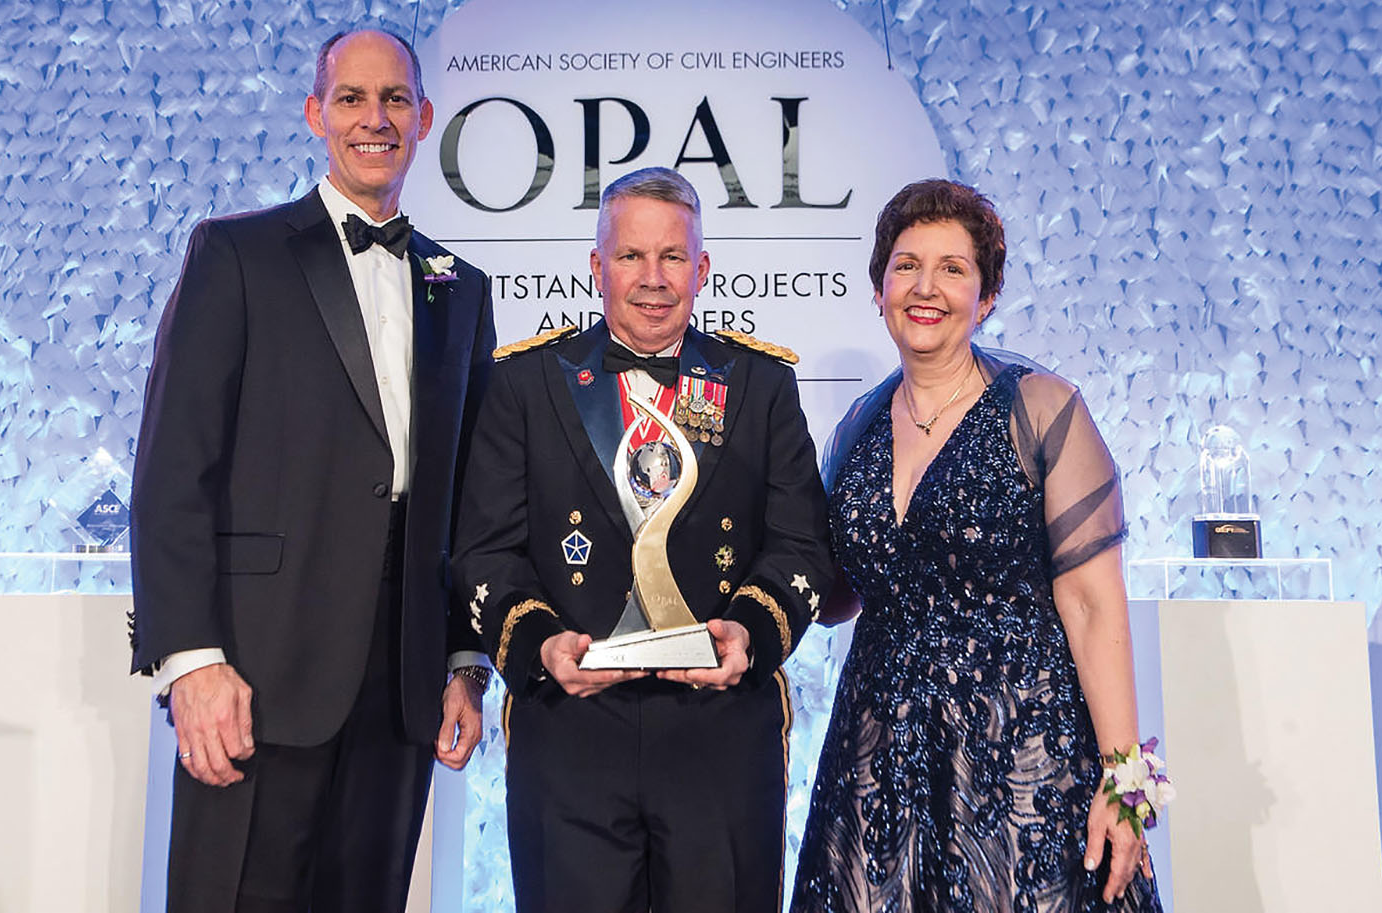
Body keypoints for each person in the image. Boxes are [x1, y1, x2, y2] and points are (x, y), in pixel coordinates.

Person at [129, 27, 496, 913]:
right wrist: (192, 661)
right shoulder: (236, 254)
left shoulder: (462, 287)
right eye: (352, 98)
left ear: (425, 117)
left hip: (401, 691)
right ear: (315, 114)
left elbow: (468, 501)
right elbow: (174, 472)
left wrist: (464, 659)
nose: (376, 118)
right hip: (255, 674)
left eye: (396, 99)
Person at [452, 167, 834, 913]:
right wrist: (538, 646)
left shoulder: (759, 386)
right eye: (631, 256)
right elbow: (482, 551)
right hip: (571, 732)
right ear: (596, 266)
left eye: (672, 257)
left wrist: (749, 635)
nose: (653, 279)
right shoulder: (525, 386)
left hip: (718, 736)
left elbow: (802, 546)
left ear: (702, 268)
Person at [791, 179, 1163, 912]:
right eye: (906, 266)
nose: (925, 287)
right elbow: (832, 595)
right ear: (878, 288)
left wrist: (1124, 781)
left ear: (986, 296)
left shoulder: (1041, 409)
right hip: (878, 767)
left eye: (952, 269)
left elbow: (1091, 604)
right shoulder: (856, 430)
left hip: (1021, 759)